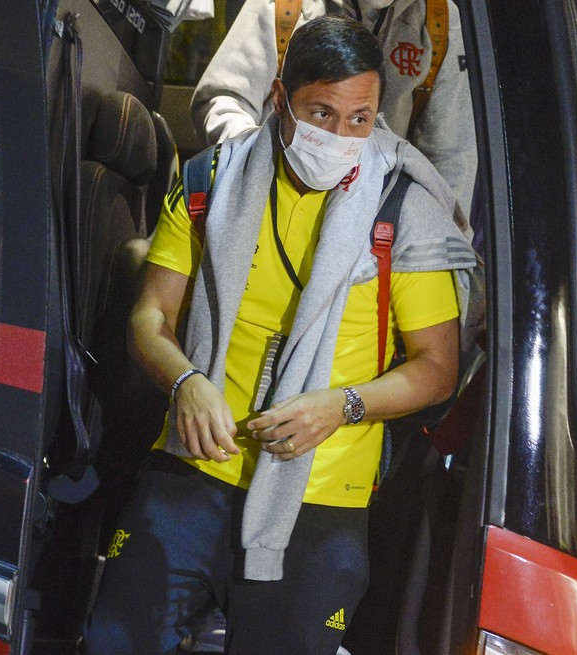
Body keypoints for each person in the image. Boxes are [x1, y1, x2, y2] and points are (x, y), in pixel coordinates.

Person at [83, 15, 481, 655]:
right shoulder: (211, 179)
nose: (340, 135)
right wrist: (185, 381)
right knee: (112, 642)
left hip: (322, 500)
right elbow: (149, 319)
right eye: (320, 112)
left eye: (360, 118)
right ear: (278, 97)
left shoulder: (402, 214)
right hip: (195, 469)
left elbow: (437, 366)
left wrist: (343, 406)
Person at [191, 0, 477, 220]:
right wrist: (260, 166)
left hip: (374, 219)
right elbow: (224, 98)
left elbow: (451, 157)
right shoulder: (288, 6)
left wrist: (443, 250)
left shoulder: (439, 21)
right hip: (270, 200)